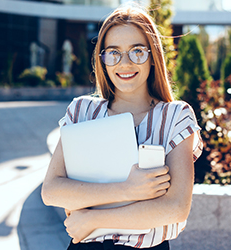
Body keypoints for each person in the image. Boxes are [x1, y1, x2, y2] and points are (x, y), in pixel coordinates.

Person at [41, 5, 203, 250]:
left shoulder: (175, 116)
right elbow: (52, 191)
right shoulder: (81, 111)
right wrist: (128, 189)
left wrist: (94, 218)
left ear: (153, 56)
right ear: (102, 60)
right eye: (113, 53)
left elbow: (176, 209)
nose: (124, 63)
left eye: (137, 51)